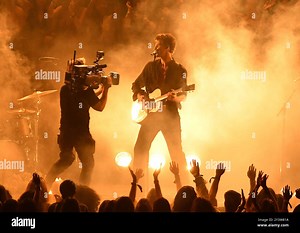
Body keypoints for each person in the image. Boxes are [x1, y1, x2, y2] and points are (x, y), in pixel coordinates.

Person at [131, 33, 189, 186]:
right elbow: (135, 85)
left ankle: (185, 187)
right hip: (151, 116)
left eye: (158, 46)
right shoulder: (150, 67)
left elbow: (183, 94)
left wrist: (174, 98)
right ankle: (137, 184)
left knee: (176, 151)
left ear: (168, 48)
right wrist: (140, 95)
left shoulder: (179, 70)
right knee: (140, 149)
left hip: (170, 116)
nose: (155, 49)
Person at [45, 57, 112, 188]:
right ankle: (82, 191)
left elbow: (87, 98)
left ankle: (46, 184)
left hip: (68, 131)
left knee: (68, 159)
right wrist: (107, 89)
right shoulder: (83, 91)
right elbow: (99, 107)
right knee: (86, 163)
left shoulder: (66, 89)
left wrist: (101, 89)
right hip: (79, 133)